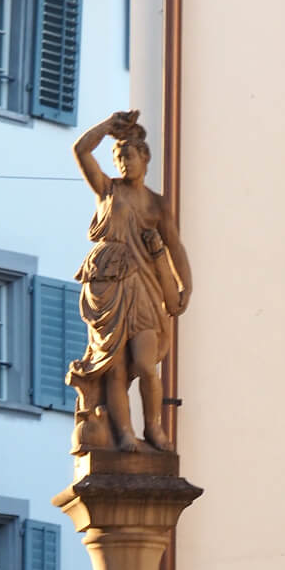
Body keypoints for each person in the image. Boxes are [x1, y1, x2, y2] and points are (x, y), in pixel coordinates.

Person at [69, 110, 191, 454]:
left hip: (145, 288)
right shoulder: (107, 190)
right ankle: (124, 433)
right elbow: (80, 150)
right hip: (108, 287)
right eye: (118, 156)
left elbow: (175, 246)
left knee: (144, 363)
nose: (123, 162)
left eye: (129, 155)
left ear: (145, 157)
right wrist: (108, 126)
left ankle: (152, 427)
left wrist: (186, 286)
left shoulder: (156, 203)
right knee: (115, 369)